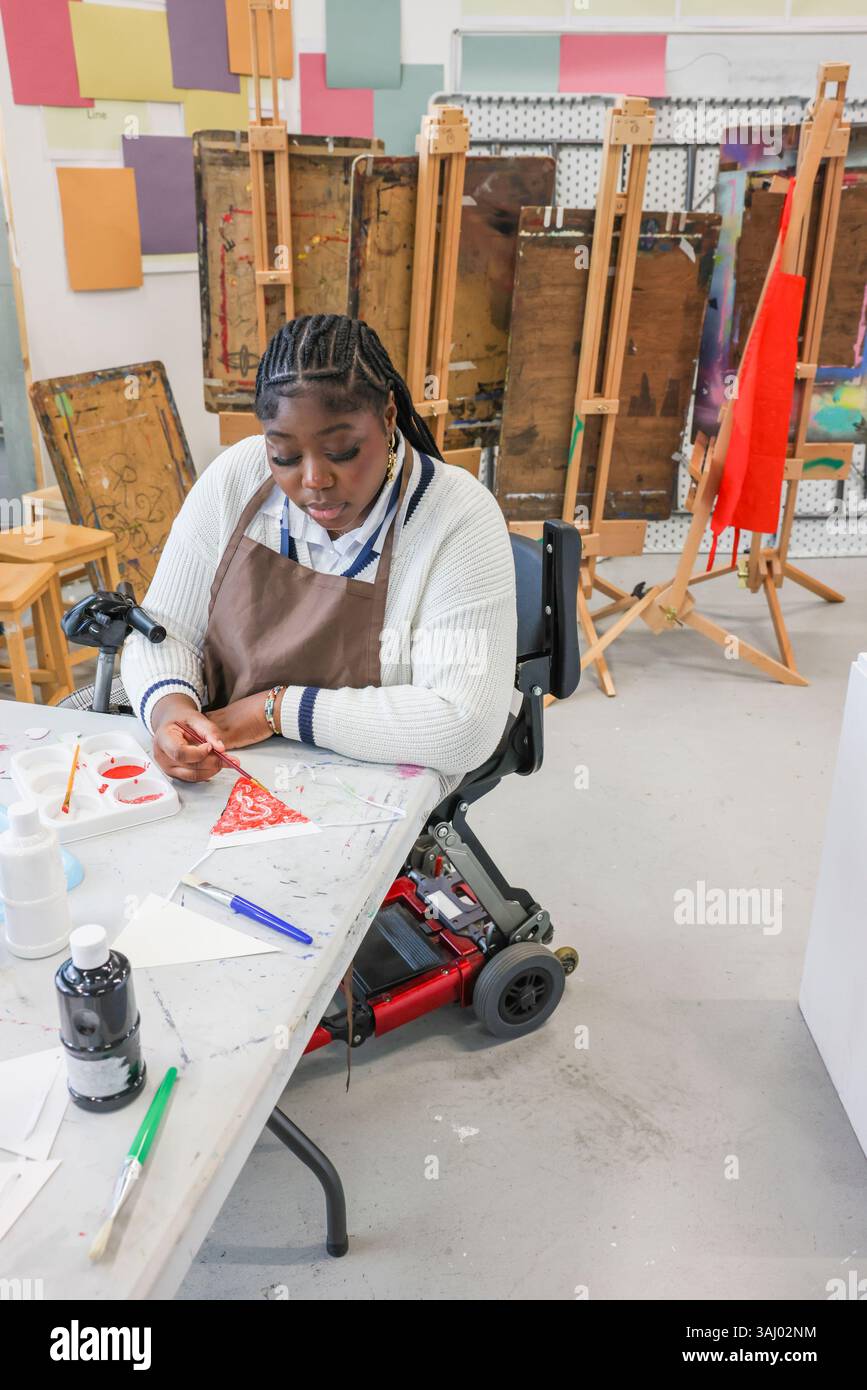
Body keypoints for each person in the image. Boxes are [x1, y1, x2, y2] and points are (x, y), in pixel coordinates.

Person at [120, 314, 517, 793]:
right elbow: (163, 630)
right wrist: (171, 709)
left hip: (378, 783)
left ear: (389, 417)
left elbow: (462, 727)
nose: (313, 481)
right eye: (284, 456)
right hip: (226, 768)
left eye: (343, 451)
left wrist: (276, 710)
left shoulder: (457, 516)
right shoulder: (237, 478)